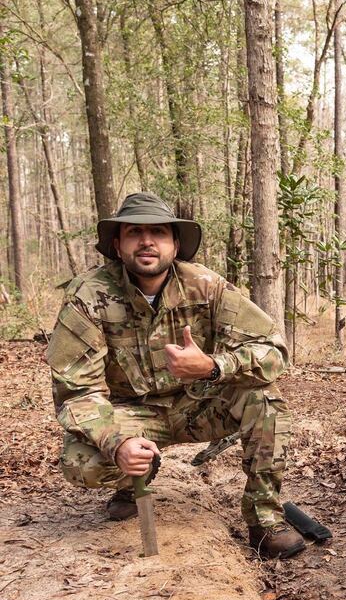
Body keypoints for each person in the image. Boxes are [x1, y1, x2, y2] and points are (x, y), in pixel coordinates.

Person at [46, 192, 305, 559]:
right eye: (134, 232)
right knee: (81, 462)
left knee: (265, 400)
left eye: (158, 232)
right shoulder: (89, 295)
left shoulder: (207, 285)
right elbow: (76, 391)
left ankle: (264, 520)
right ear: (118, 245)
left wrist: (214, 367)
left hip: (198, 405)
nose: (147, 241)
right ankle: (134, 477)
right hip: (130, 415)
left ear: (175, 244)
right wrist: (116, 443)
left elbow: (274, 352)